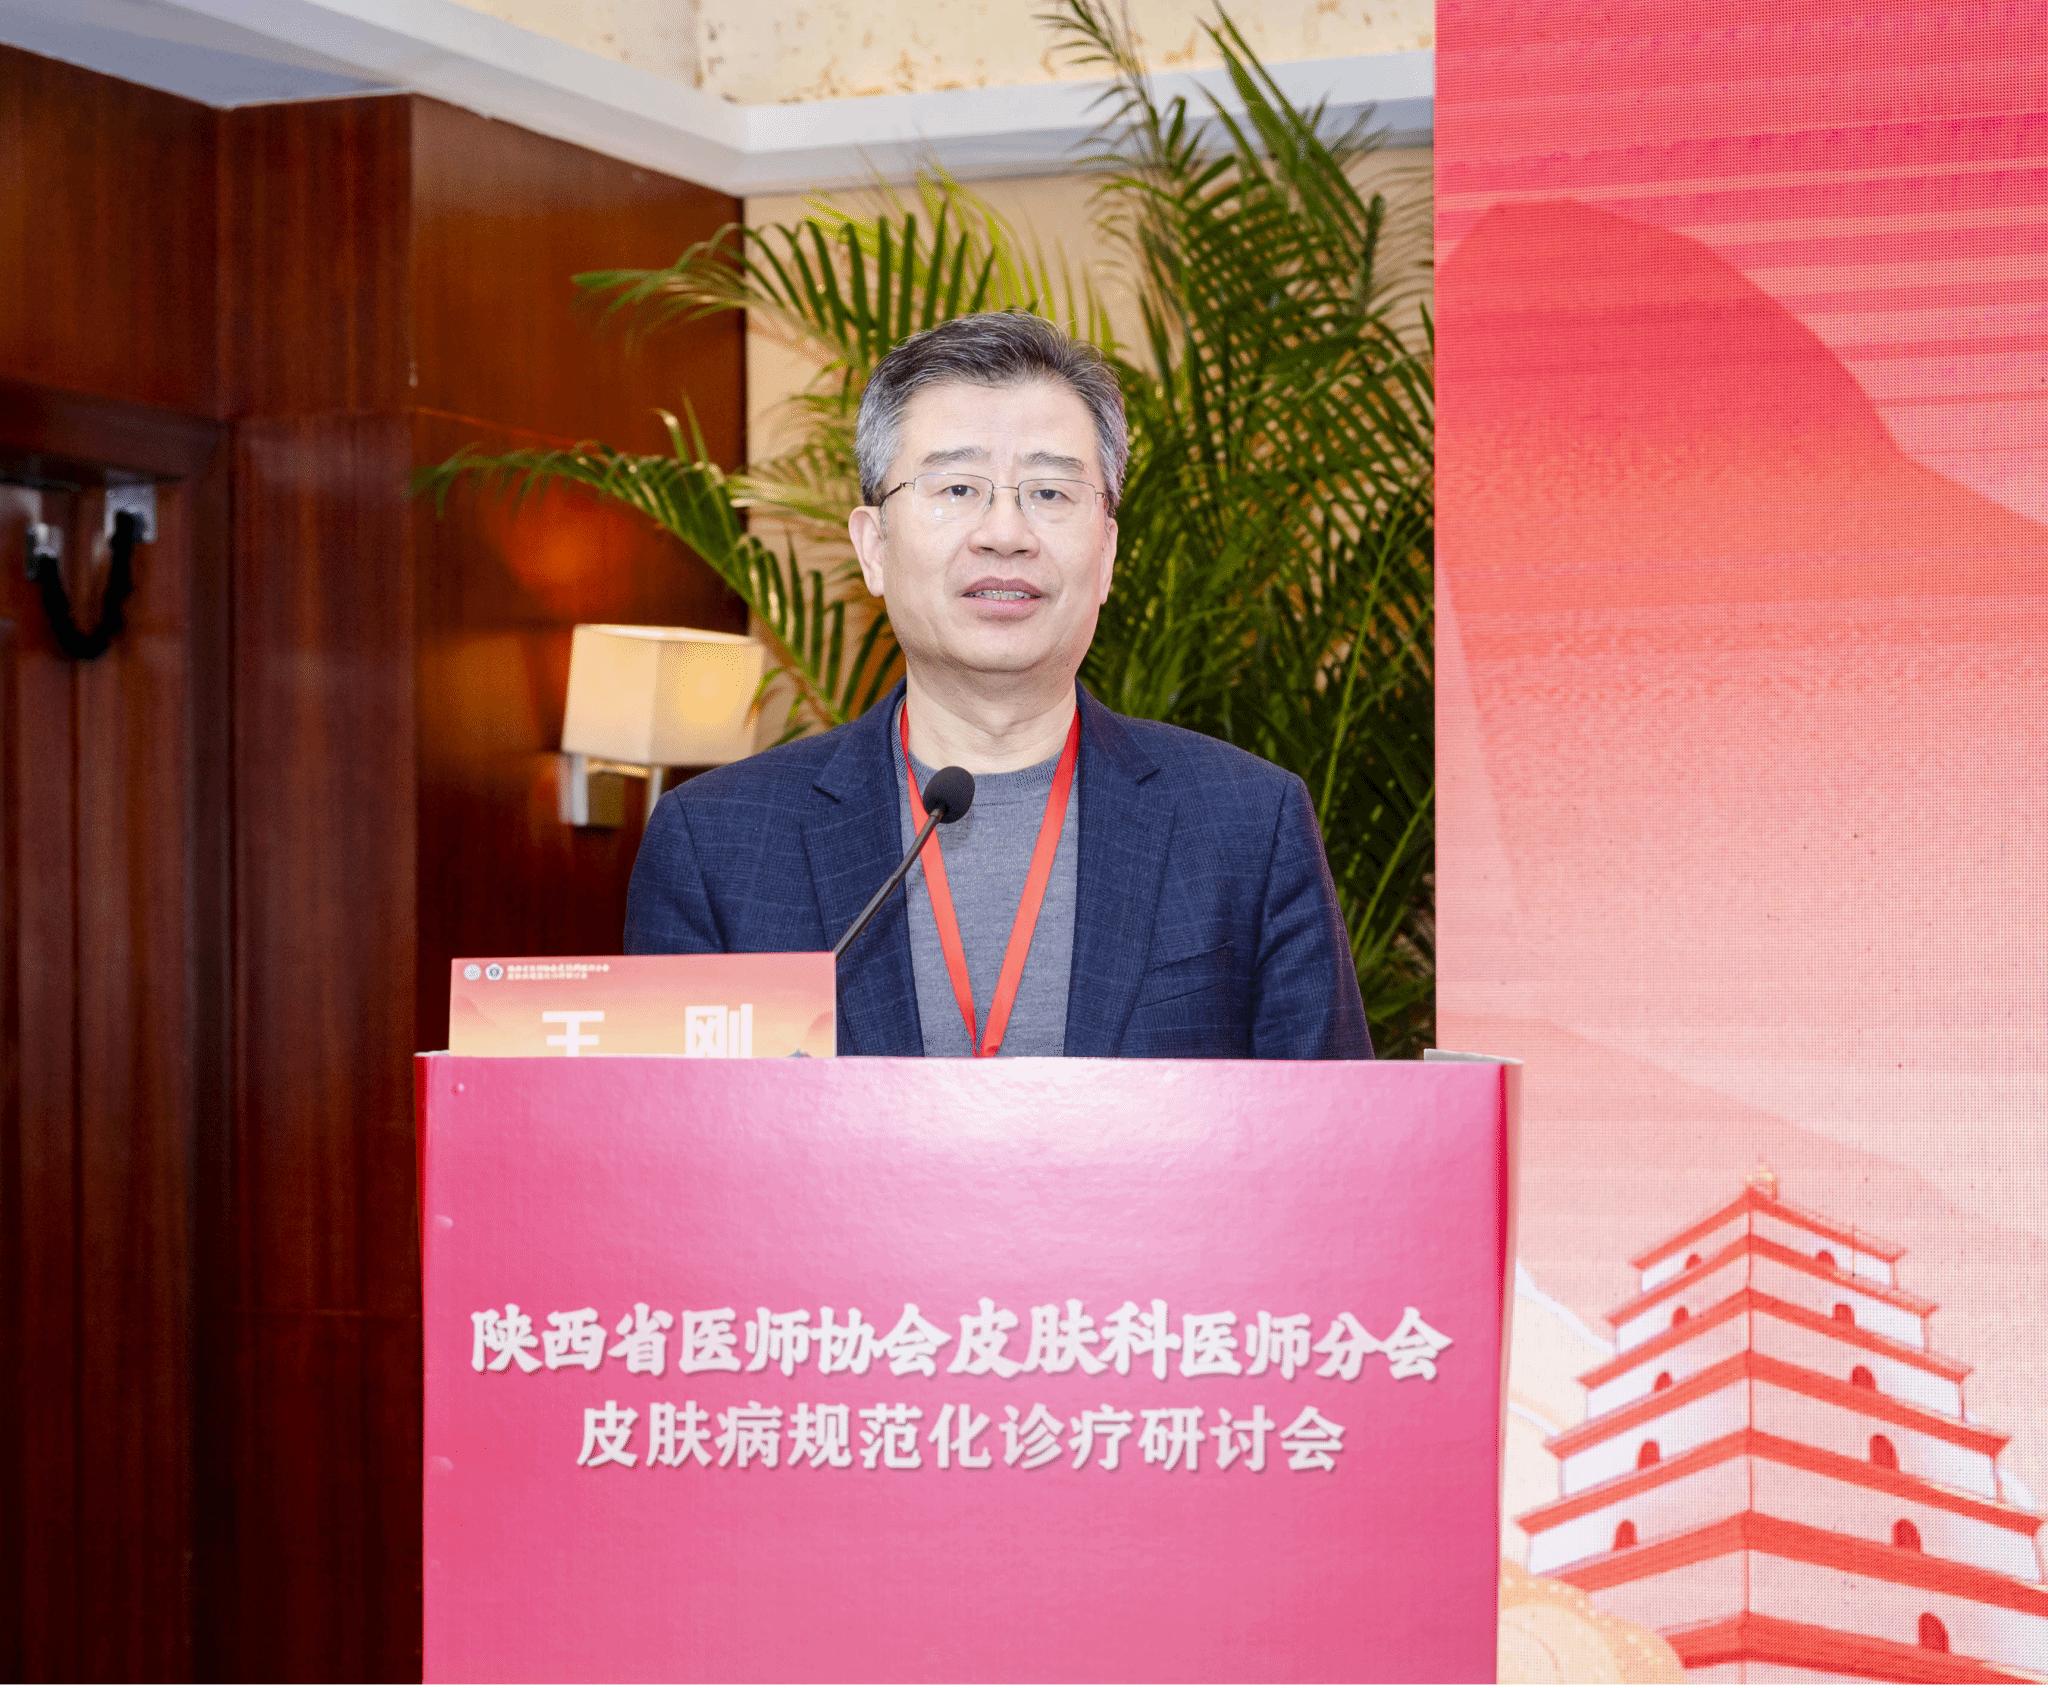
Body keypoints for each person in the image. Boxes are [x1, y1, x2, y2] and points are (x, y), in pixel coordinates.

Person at [626, 311, 1371, 1059]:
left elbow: (1332, 1125)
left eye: (1050, 493)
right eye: (957, 487)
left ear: (1107, 555)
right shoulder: (717, 844)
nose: (1006, 533)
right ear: (874, 547)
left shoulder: (1248, 824)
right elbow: (665, 1127)